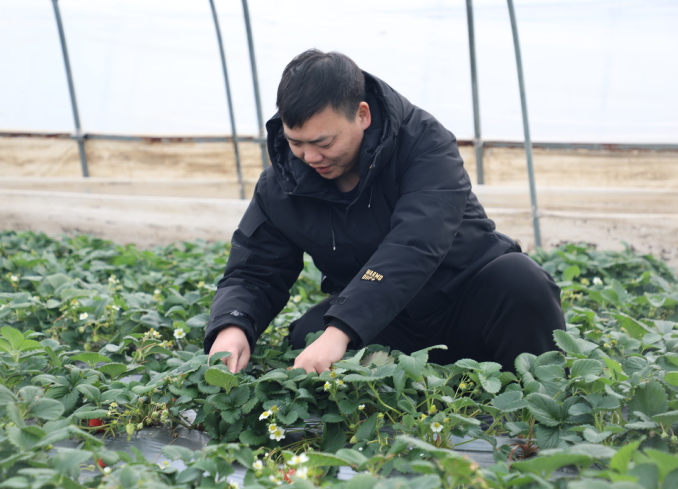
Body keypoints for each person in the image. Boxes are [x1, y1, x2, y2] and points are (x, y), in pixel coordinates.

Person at [203, 49, 565, 375]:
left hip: (466, 303)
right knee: (307, 337)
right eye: (296, 142)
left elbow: (415, 243)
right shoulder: (282, 182)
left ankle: (531, 408)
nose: (310, 157)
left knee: (521, 282)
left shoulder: (425, 145)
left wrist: (341, 329)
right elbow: (254, 268)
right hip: (386, 320)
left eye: (323, 142)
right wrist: (233, 325)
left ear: (362, 115)